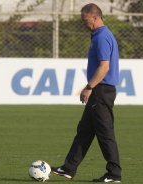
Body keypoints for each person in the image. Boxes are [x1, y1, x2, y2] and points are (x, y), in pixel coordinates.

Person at [51, 3, 121, 183]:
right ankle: (68, 168)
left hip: (101, 90)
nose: (84, 24)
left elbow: (104, 66)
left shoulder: (102, 37)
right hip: (100, 90)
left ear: (95, 17)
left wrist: (89, 87)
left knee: (105, 132)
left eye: (86, 20)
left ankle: (114, 174)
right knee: (84, 130)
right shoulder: (99, 35)